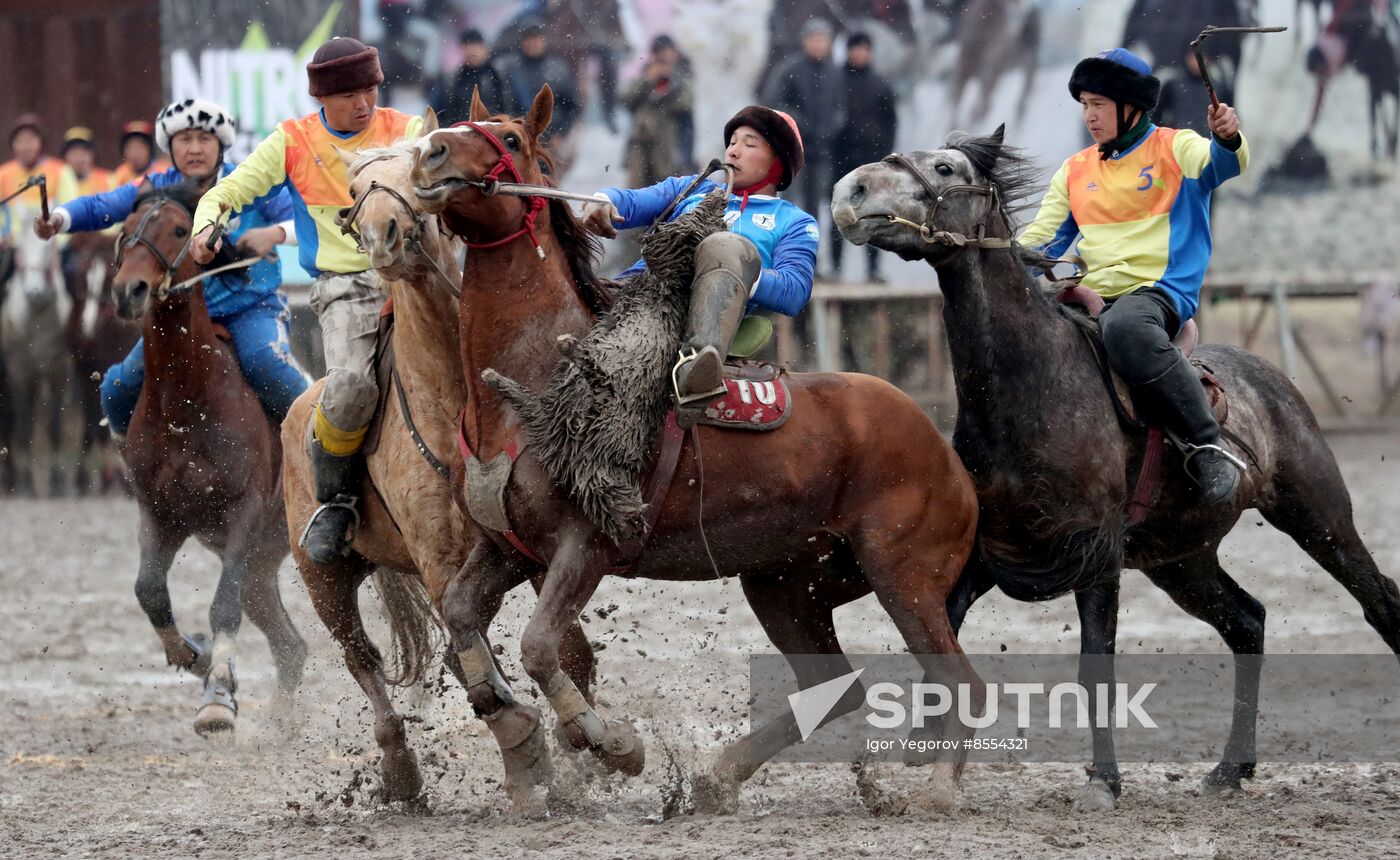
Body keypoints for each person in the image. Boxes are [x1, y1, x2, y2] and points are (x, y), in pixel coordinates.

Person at [187, 37, 423, 564]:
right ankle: (336, 502)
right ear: (322, 97)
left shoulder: (410, 131)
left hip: (417, 279)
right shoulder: (291, 141)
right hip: (347, 289)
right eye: (349, 95)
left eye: (370, 90)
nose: (363, 104)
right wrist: (206, 228)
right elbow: (221, 195)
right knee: (349, 391)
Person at [1019, 48, 1249, 504]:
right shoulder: (1074, 170)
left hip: (1157, 295)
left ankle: (1208, 443)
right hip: (1089, 297)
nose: (1089, 115)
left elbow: (1225, 164)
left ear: (1131, 106)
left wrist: (1227, 135)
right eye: (1084, 104)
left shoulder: (1175, 146)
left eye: (1098, 104)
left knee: (1124, 329)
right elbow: (1040, 247)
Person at [33, 99, 308, 446]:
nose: (194, 149)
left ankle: (321, 440)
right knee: (117, 389)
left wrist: (274, 233)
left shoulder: (248, 180)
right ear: (170, 146)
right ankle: (136, 461)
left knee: (267, 365)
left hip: (251, 308)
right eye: (184, 139)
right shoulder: (155, 188)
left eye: (204, 139)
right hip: (178, 317)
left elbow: (305, 217)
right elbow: (101, 206)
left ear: (221, 145)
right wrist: (57, 219)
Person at [581, 105, 818, 404]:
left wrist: (740, 270)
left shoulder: (794, 221)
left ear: (777, 162)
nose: (733, 152)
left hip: (697, 316)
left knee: (724, 246)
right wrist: (601, 201)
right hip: (633, 292)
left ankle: (694, 370)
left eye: (749, 144)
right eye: (732, 142)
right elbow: (631, 201)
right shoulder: (692, 188)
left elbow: (795, 291)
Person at [761, 18, 846, 245]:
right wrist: (799, 123)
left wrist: (832, 127)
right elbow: (774, 103)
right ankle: (784, 250)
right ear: (805, 41)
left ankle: (810, 257)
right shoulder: (789, 70)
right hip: (793, 151)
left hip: (823, 151)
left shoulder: (834, 73)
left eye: (823, 39)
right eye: (814, 39)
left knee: (816, 208)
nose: (818, 44)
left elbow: (841, 107)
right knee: (790, 203)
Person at [831, 31, 897, 282]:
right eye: (855, 49)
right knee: (840, 213)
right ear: (848, 51)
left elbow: (891, 122)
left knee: (873, 215)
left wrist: (886, 157)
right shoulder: (836, 81)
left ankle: (873, 270)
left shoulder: (880, 83)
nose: (859, 54)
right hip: (841, 158)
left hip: (872, 161)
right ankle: (836, 269)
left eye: (864, 49)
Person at [496, 19, 580, 172]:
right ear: (522, 41)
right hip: (514, 139)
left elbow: (572, 107)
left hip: (547, 141)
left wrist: (561, 133)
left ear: (544, 40)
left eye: (536, 38)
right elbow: (497, 102)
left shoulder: (558, 69)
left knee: (545, 185)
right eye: (528, 38)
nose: (532, 43)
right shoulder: (507, 68)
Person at [621, 34, 693, 188]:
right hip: (640, 142)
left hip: (669, 144)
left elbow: (685, 105)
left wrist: (670, 84)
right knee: (636, 189)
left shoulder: (682, 74)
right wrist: (647, 81)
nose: (662, 58)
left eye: (666, 53)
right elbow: (627, 100)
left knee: (666, 191)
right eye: (658, 53)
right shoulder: (646, 73)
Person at [0, 114, 77, 247]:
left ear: (41, 143)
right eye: (20, 141)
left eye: (30, 140)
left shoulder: (61, 171)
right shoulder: (3, 174)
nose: (25, 147)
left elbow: (70, 207)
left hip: (52, 246)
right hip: (12, 248)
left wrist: (59, 242)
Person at [427, 28, 505, 125]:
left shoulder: (499, 77)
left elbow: (510, 109)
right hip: (458, 135)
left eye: (476, 46)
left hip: (492, 135)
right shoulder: (450, 80)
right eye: (467, 47)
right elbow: (434, 112)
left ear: (485, 48)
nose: (472, 51)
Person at [110, 120, 170, 187]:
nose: (135, 154)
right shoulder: (119, 176)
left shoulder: (164, 173)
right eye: (130, 148)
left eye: (139, 148)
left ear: (150, 149)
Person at [61, 127, 113, 196]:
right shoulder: (57, 182)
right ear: (65, 156)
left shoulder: (108, 180)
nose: (79, 159)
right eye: (74, 154)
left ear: (93, 155)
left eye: (83, 153)